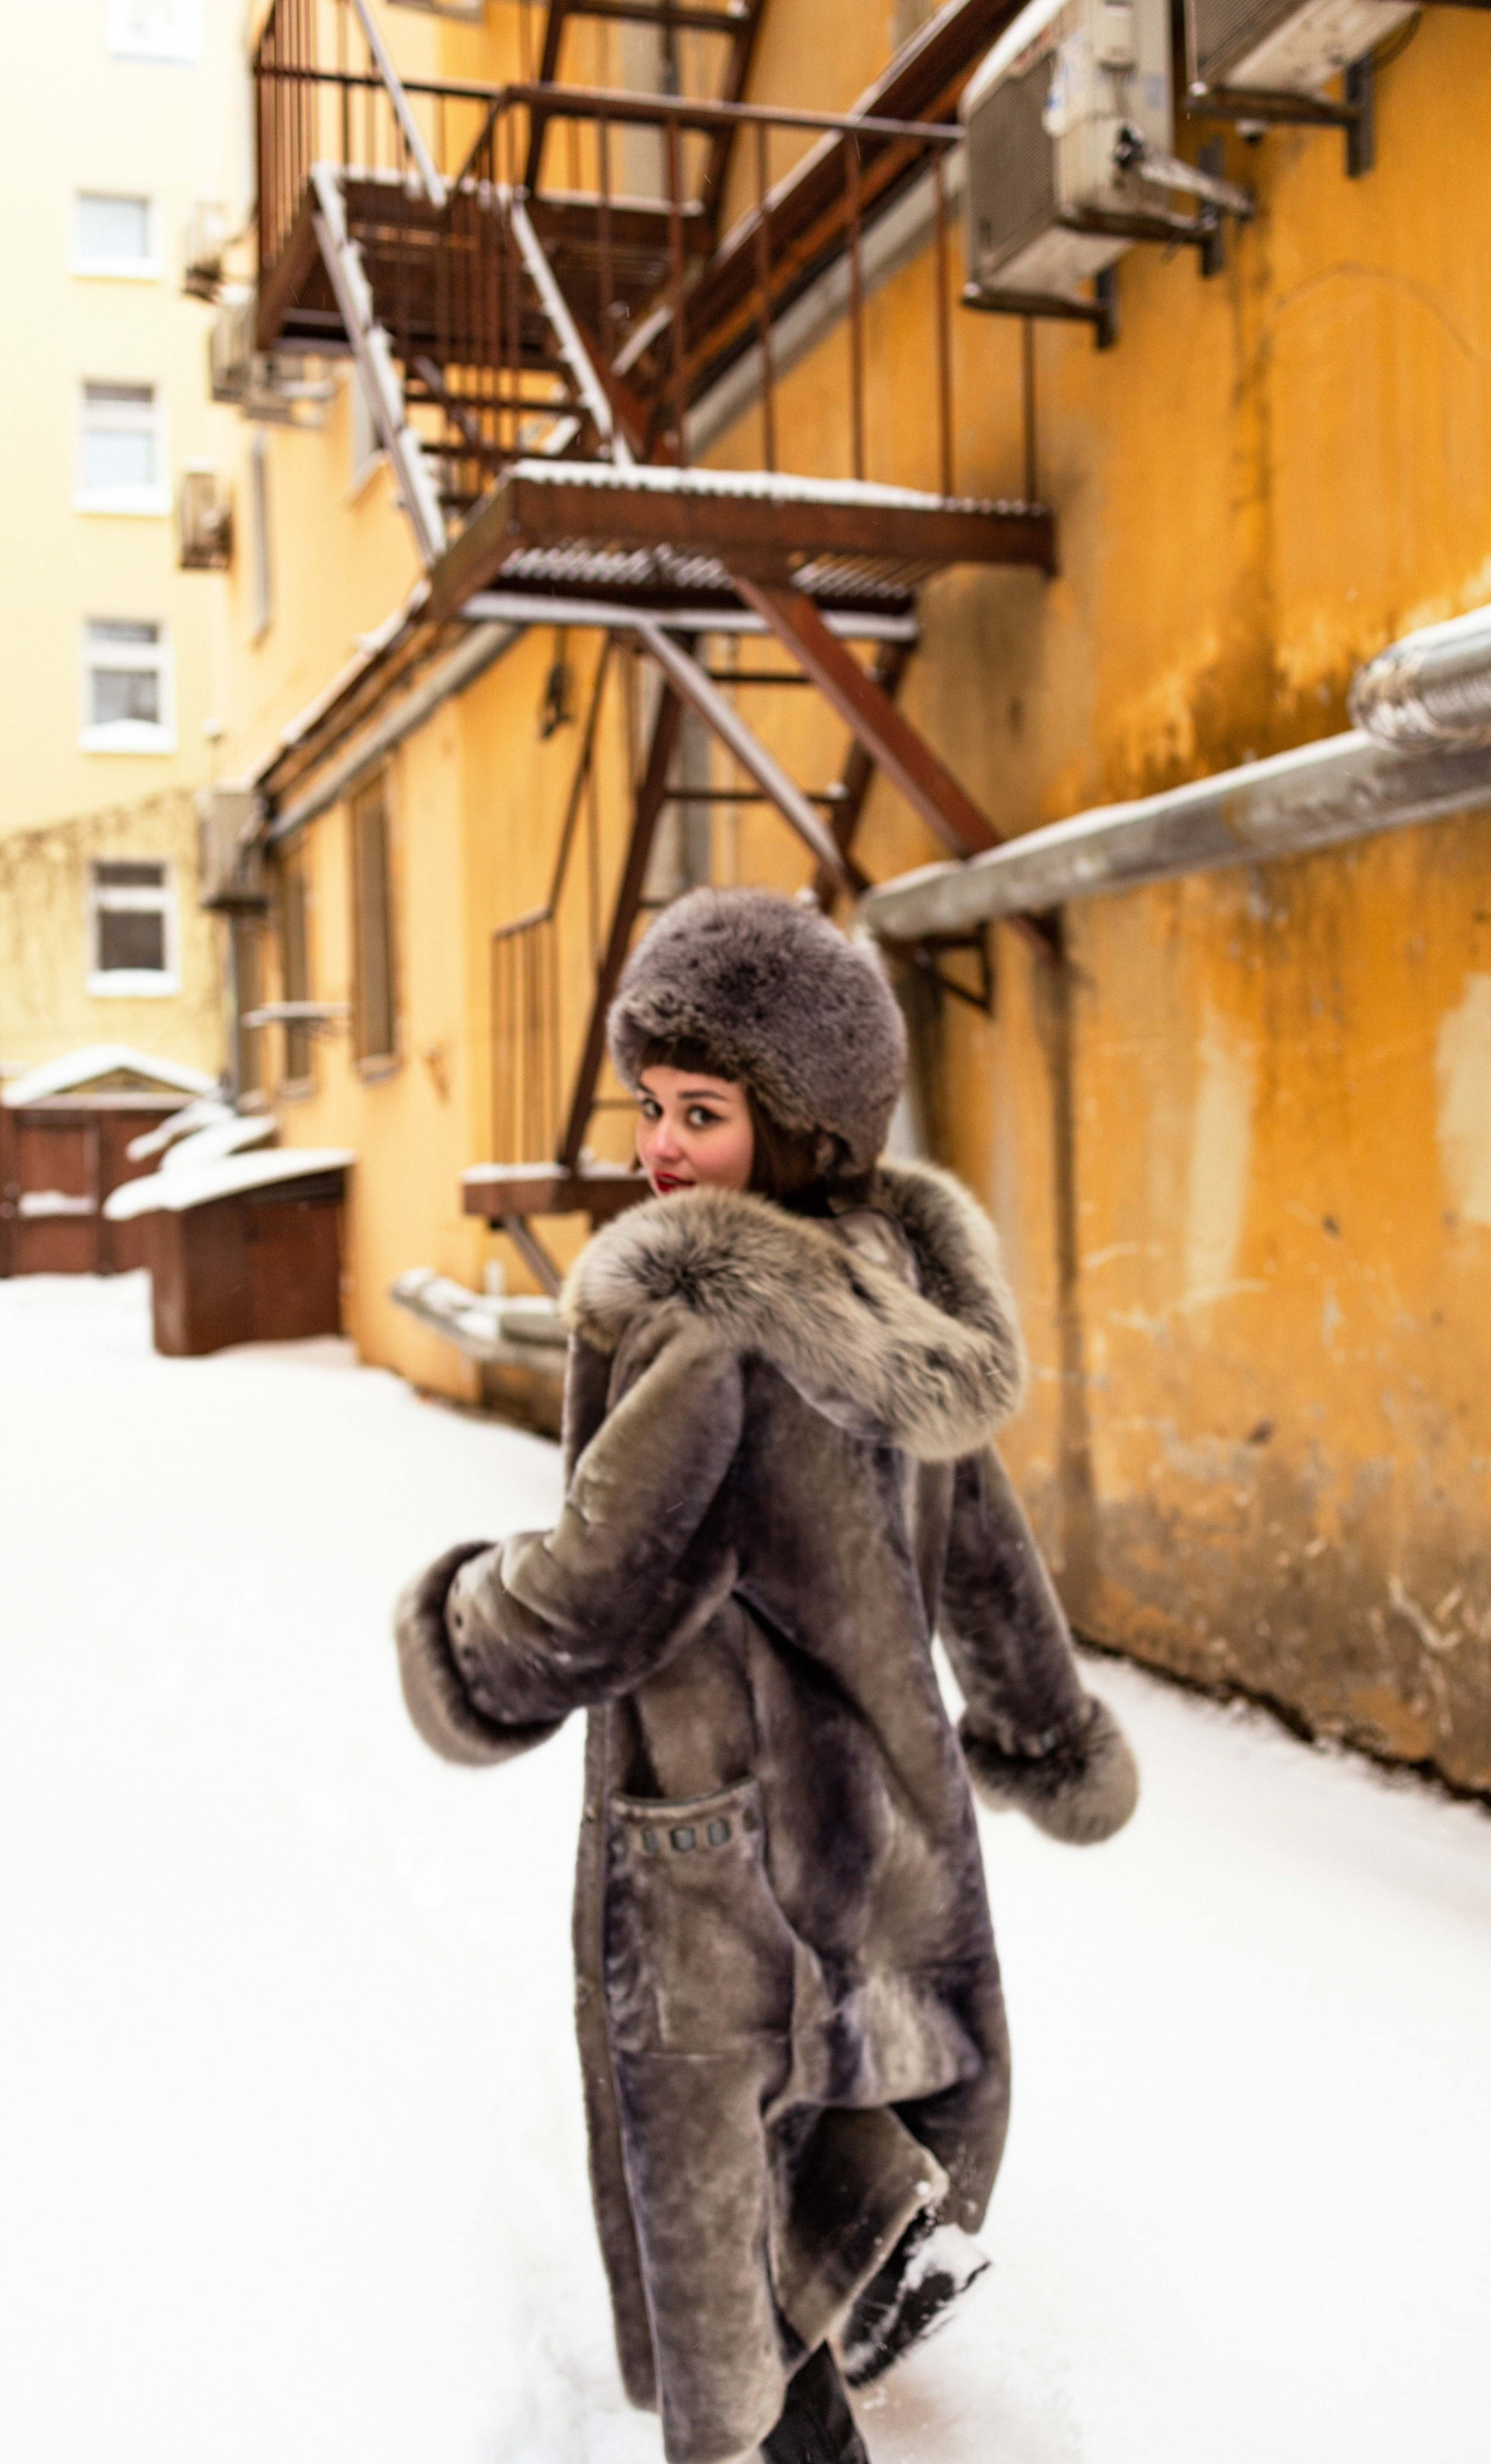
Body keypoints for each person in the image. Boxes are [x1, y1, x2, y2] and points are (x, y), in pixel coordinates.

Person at [395, 887, 1138, 2464]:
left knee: (719, 2213)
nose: (660, 1148)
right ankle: (876, 2244)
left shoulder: (711, 1332)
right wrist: (1042, 1730)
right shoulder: (894, 1305)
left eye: (703, 1113)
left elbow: (593, 1600)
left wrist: (459, 1622)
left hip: (715, 1859)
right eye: (651, 1107)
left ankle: (840, 2307)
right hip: (884, 1821)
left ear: (802, 1129)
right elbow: (987, 1560)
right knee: (829, 2089)